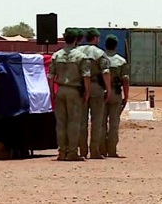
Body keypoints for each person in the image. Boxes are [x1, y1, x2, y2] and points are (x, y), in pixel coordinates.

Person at [48, 28, 90, 161]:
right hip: (74, 90)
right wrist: (87, 92)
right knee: (74, 122)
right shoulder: (81, 56)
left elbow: (51, 76)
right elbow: (86, 76)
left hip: (60, 90)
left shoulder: (56, 55)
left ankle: (62, 152)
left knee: (60, 123)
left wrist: (52, 92)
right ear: (76, 40)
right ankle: (72, 152)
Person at [77, 28, 112, 159]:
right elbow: (106, 72)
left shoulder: (78, 52)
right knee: (97, 121)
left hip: (80, 87)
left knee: (82, 122)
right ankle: (95, 150)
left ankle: (82, 150)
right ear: (96, 38)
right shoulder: (99, 53)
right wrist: (108, 89)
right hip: (96, 87)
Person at [100, 34, 130, 158]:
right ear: (116, 46)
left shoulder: (100, 59)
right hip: (116, 93)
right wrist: (126, 96)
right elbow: (126, 80)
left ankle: (101, 149)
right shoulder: (121, 61)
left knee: (101, 123)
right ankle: (112, 150)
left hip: (102, 93)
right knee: (114, 124)